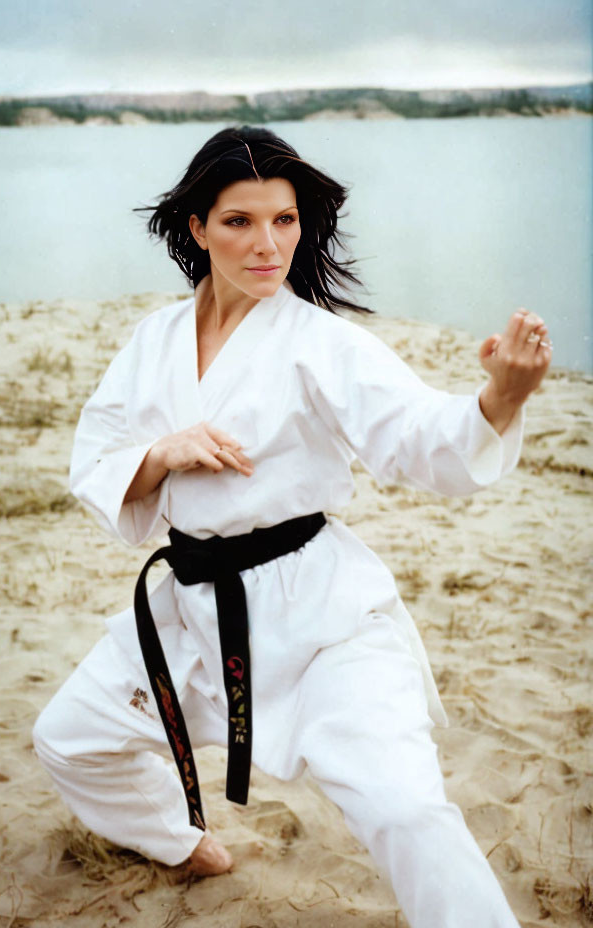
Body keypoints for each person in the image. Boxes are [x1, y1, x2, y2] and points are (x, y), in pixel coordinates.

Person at [32, 126, 552, 927]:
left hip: (321, 620)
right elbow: (95, 457)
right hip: (193, 609)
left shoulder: (322, 343)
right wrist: (163, 453)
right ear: (198, 229)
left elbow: (418, 435)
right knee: (68, 738)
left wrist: (500, 400)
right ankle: (177, 840)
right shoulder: (155, 340)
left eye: (285, 219)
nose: (268, 243)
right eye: (240, 221)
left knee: (406, 810)